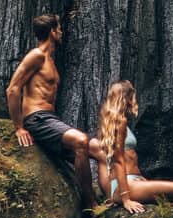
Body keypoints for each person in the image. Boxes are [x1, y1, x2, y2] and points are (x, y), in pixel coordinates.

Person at [6, 13, 110, 205]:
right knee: (81, 141)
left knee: (99, 150)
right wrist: (19, 127)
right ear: (52, 32)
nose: (61, 32)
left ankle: (112, 198)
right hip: (37, 119)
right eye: (59, 28)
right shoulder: (36, 56)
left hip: (51, 120)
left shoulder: (50, 61)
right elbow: (13, 89)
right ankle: (91, 206)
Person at [98, 80, 173, 218]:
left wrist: (111, 193)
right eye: (133, 95)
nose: (135, 99)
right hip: (127, 185)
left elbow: (107, 163)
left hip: (130, 182)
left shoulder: (109, 122)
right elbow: (118, 162)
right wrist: (125, 199)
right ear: (126, 97)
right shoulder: (121, 123)